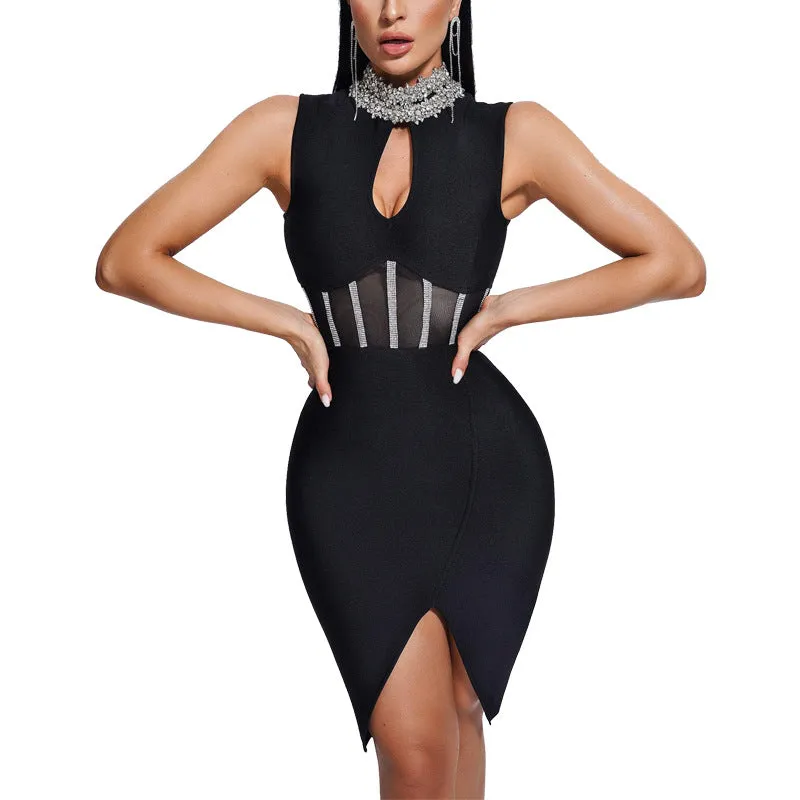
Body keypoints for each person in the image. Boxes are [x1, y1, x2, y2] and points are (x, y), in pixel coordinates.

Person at [96, 0, 706, 796]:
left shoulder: (515, 134)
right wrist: (288, 322)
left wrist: (512, 308)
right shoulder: (281, 128)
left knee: (458, 715)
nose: (392, 9)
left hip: (486, 467)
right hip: (348, 472)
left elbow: (676, 263)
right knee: (416, 752)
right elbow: (127, 259)